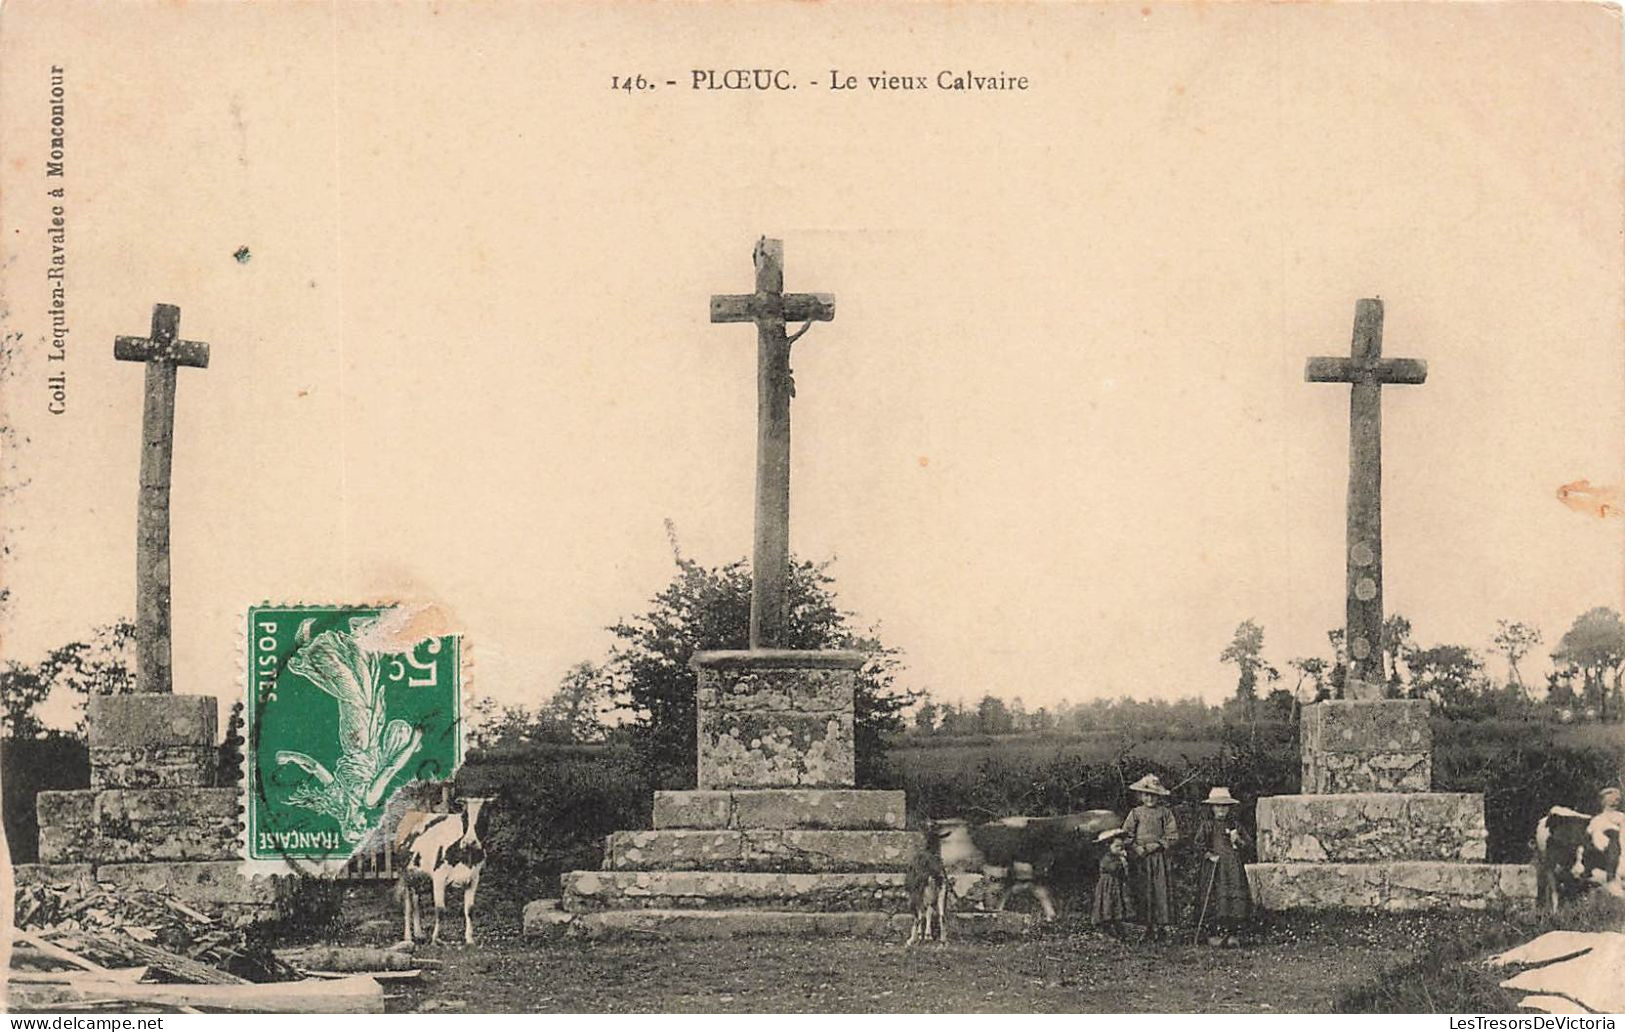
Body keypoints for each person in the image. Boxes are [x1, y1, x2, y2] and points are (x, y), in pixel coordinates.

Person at [1194, 786, 1252, 946]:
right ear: (1212, 807)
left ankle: (1232, 933)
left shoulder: (1236, 826)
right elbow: (1198, 845)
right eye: (1218, 805)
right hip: (1215, 868)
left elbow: (1248, 846)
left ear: (1229, 808)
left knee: (1234, 899)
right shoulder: (1207, 825)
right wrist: (1209, 855)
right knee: (1215, 897)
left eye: (1225, 806)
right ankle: (1213, 934)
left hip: (1233, 868)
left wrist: (1237, 840)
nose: (1221, 809)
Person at [1122, 773, 1177, 941]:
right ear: (1140, 796)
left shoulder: (1165, 813)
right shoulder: (1135, 813)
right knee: (1143, 890)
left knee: (1160, 890)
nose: (1150, 798)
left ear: (1159, 796)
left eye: (1153, 795)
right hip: (1140, 859)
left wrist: (1158, 844)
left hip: (1159, 859)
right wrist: (1135, 847)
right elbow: (1126, 834)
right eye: (1146, 794)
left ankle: (1161, 927)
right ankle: (1146, 928)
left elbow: (1172, 835)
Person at [1091, 827, 1133, 939]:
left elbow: (1125, 872)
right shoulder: (1107, 858)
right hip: (1107, 885)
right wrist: (1122, 861)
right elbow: (1113, 868)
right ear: (1108, 847)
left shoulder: (1117, 857)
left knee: (1116, 904)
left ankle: (1118, 929)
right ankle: (1105, 929)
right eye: (1117, 846)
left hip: (1116, 884)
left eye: (1122, 847)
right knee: (1106, 904)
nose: (1120, 849)